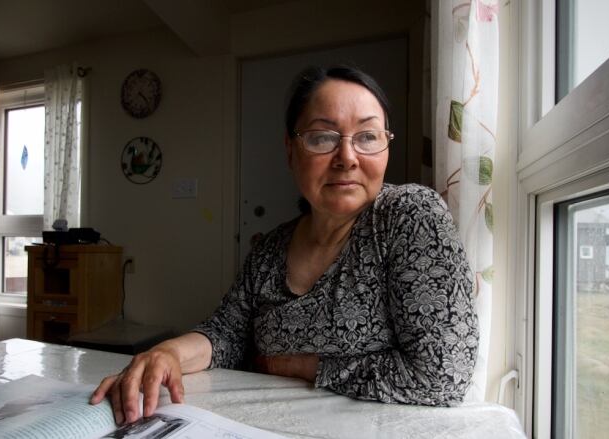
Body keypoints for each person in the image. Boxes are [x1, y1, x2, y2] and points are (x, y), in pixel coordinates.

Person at [90, 65, 479, 425]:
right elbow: (226, 333)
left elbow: (442, 374)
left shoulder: (408, 217)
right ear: (291, 150)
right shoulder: (270, 249)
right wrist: (168, 353)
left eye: (367, 136)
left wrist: (306, 367)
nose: (347, 157)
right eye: (322, 137)